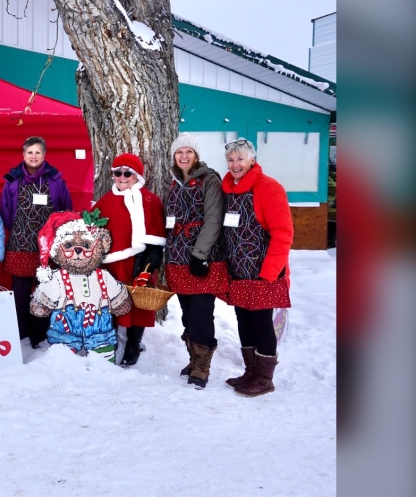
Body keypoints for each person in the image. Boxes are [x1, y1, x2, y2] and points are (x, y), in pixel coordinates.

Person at [221, 138, 293, 397]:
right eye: (231, 159)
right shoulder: (227, 189)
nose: (235, 164)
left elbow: (283, 233)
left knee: (262, 323)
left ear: (252, 159)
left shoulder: (269, 188)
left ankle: (264, 378)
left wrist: (269, 274)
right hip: (238, 271)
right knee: (244, 321)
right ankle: (250, 371)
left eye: (240, 159)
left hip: (263, 272)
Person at [161, 134, 229, 388]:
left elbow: (213, 219)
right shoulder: (171, 182)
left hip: (203, 258)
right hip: (177, 258)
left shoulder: (208, 180)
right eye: (179, 152)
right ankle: (193, 359)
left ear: (196, 155)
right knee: (188, 314)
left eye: (188, 152)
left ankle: (202, 366)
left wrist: (199, 255)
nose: (184, 156)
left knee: (202, 314)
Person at [91, 152, 166, 366]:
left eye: (127, 173)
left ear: (137, 176)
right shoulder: (106, 200)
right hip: (112, 263)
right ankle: (110, 341)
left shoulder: (150, 200)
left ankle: (134, 344)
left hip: (139, 262)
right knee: (111, 301)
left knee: (139, 303)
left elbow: (158, 236)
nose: (122, 177)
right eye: (117, 173)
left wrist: (150, 264)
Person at [0, 136, 73, 347]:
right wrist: (20, 231)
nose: (34, 156)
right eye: (30, 152)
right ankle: (21, 334)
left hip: (47, 248)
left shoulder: (55, 180)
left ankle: (39, 335)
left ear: (44, 155)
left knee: (45, 292)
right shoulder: (13, 180)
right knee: (20, 293)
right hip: (20, 245)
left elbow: (65, 210)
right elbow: (6, 211)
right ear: (23, 155)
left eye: (38, 152)